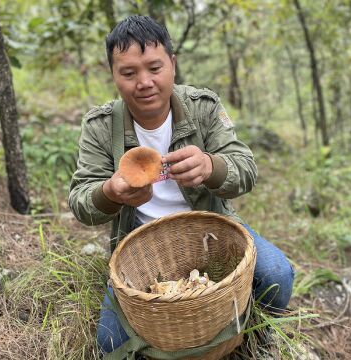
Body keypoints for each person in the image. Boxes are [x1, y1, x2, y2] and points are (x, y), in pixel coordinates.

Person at [68, 15, 294, 355]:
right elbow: (81, 201)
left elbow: (246, 169)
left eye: (154, 68)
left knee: (277, 274)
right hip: (140, 245)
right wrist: (110, 192)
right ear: (114, 75)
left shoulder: (203, 107)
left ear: (172, 64)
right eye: (129, 73)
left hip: (212, 226)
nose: (144, 82)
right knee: (110, 343)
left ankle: (254, 338)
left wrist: (210, 166)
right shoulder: (101, 126)